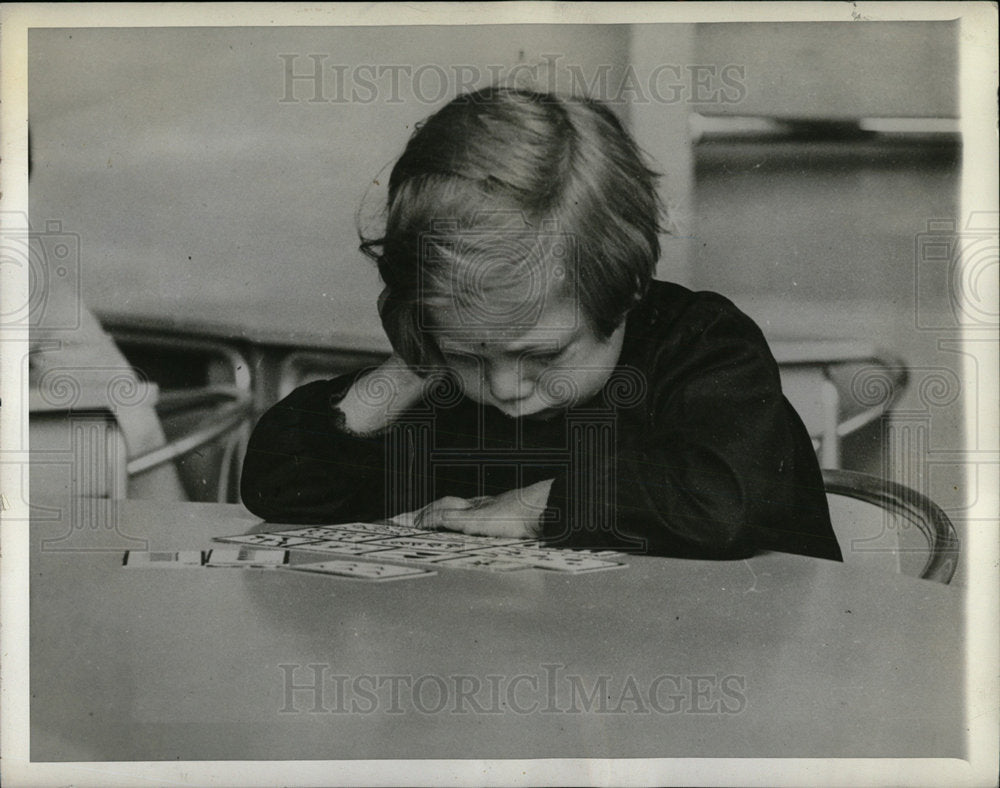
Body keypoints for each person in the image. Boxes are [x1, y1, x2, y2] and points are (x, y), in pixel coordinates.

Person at [240, 86, 842, 561]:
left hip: (734, 677)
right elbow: (279, 484)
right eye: (471, 356)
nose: (504, 388)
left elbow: (718, 502)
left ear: (625, 293)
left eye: (545, 355)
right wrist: (419, 363)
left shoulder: (702, 345)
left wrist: (537, 509)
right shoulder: (441, 376)